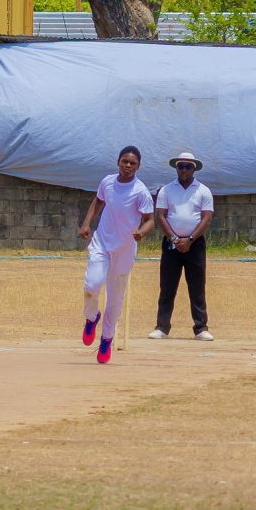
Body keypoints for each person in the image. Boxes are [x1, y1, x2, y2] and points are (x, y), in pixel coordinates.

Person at [78, 146, 155, 364]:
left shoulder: (140, 191)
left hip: (125, 248)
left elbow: (150, 220)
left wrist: (141, 232)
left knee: (115, 296)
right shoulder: (107, 182)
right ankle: (92, 318)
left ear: (138, 166)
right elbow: (99, 200)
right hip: (102, 242)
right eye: (125, 161)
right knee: (92, 285)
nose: (128, 166)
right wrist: (86, 223)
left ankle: (107, 338)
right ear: (118, 162)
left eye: (132, 163)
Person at [150, 152, 215, 341]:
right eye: (181, 166)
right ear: (176, 168)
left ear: (194, 169)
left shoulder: (203, 190)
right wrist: (173, 238)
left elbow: (206, 218)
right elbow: (160, 216)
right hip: (172, 244)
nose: (184, 169)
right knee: (167, 285)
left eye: (188, 166)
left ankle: (201, 328)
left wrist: (190, 239)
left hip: (195, 244)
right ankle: (162, 327)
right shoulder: (166, 190)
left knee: (197, 286)